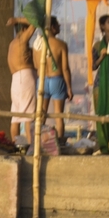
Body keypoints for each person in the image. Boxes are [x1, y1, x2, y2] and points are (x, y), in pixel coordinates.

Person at [32, 15, 72, 144]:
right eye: (58, 24)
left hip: (42, 80)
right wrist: (69, 87)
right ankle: (59, 143)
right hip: (57, 80)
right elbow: (65, 69)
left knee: (41, 114)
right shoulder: (61, 45)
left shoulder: (37, 44)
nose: (59, 26)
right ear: (53, 27)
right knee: (58, 115)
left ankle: (38, 142)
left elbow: (36, 65)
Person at [6, 16, 38, 142]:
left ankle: (16, 144)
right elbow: (35, 21)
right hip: (25, 79)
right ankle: (31, 144)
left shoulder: (12, 44)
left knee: (16, 117)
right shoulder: (22, 40)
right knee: (28, 116)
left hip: (15, 81)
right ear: (24, 30)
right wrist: (18, 20)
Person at [91, 14, 109, 153]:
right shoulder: (97, 46)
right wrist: (102, 56)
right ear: (102, 26)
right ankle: (103, 146)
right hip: (100, 84)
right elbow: (93, 66)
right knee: (101, 115)